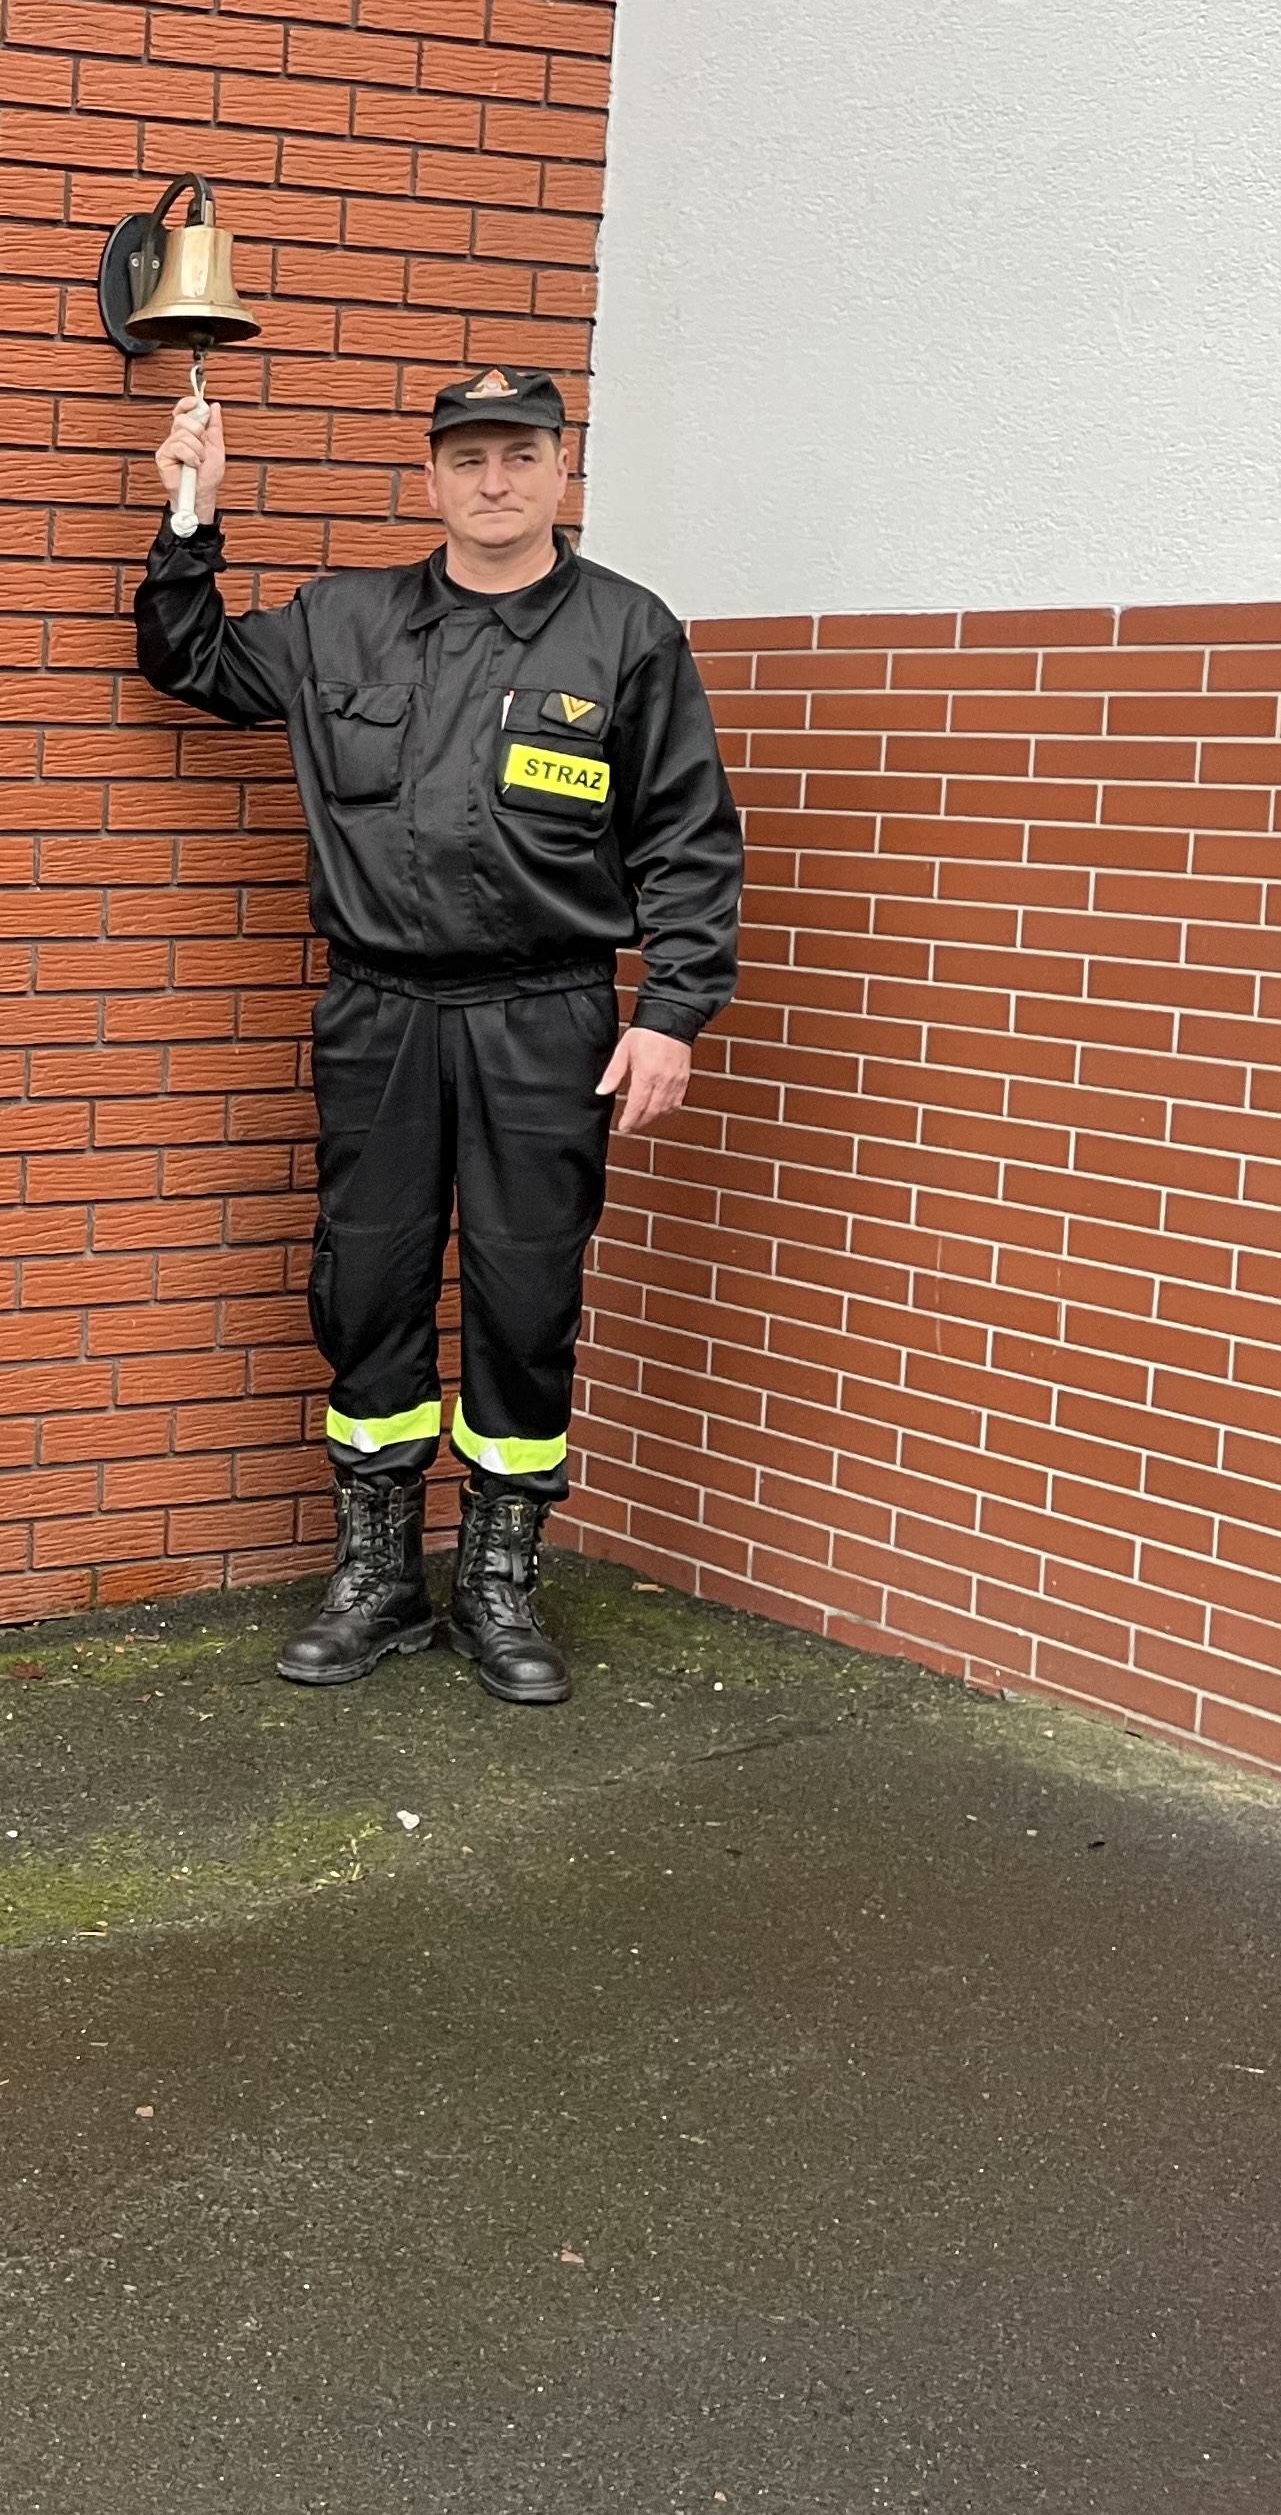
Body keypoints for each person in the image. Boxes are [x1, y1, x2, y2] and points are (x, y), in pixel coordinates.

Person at [132, 371, 742, 1706]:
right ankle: (380, 1576)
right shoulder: (340, 622)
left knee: (526, 1296)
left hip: (547, 1014)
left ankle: (499, 1580)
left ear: (561, 468)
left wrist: (673, 1013)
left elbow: (688, 839)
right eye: (469, 460)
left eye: (519, 456)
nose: (495, 482)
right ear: (431, 480)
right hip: (381, 1012)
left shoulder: (627, 634)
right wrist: (192, 512)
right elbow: (189, 660)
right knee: (369, 1282)